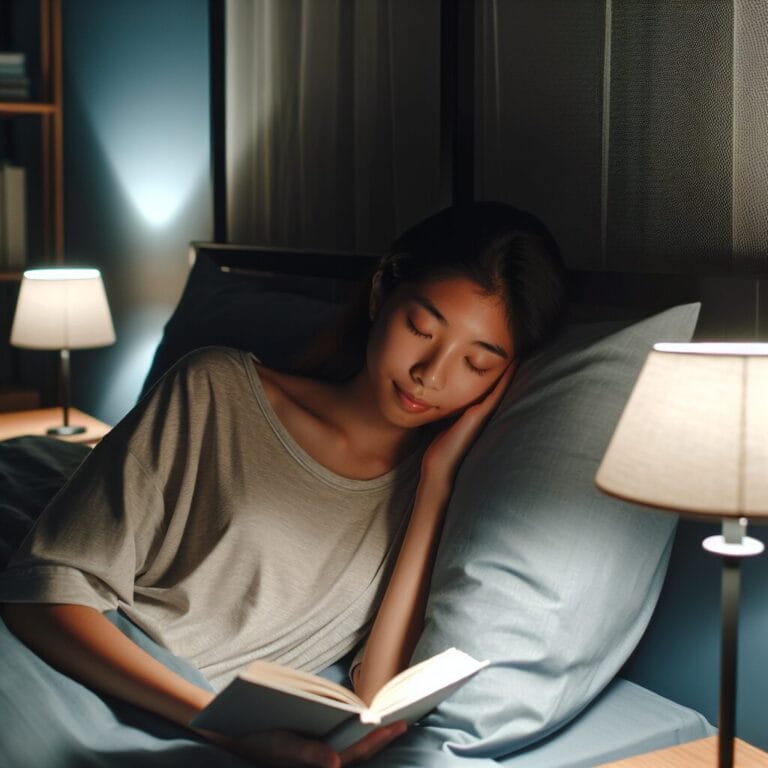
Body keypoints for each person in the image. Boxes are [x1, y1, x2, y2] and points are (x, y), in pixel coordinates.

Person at [0, 202, 566, 768]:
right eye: (421, 327)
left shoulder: (434, 491)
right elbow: (43, 592)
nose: (432, 373)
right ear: (379, 296)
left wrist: (436, 482)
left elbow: (374, 696)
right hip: (66, 670)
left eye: (477, 363)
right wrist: (220, 726)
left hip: (209, 726)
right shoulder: (216, 389)